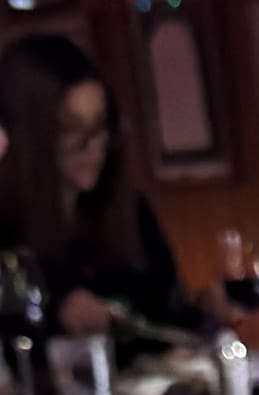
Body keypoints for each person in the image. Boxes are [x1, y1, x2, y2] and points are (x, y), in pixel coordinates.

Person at [0, 33, 212, 337]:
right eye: (73, 131)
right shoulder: (7, 236)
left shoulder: (132, 212)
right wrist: (59, 317)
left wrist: (206, 310)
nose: (94, 147)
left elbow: (168, 320)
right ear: (29, 138)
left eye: (100, 126)